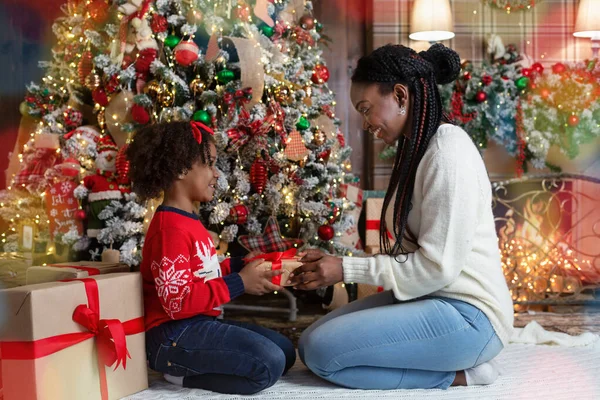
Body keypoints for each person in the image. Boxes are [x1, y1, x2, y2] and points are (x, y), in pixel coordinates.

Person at [290, 43, 514, 390]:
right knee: (310, 342)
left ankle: (460, 375)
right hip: (429, 297)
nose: (366, 124)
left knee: (323, 354)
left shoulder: (447, 154)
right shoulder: (420, 149)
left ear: (400, 95)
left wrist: (345, 268)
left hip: (470, 316)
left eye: (366, 110)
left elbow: (437, 268)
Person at [127, 121, 296, 395]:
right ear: (181, 169)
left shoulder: (189, 220)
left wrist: (242, 264)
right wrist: (240, 282)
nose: (217, 174)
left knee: (286, 351)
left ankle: (201, 364)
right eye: (210, 164)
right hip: (172, 336)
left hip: (199, 324)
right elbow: (177, 302)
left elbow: (204, 271)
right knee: (269, 364)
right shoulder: (170, 229)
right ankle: (180, 376)